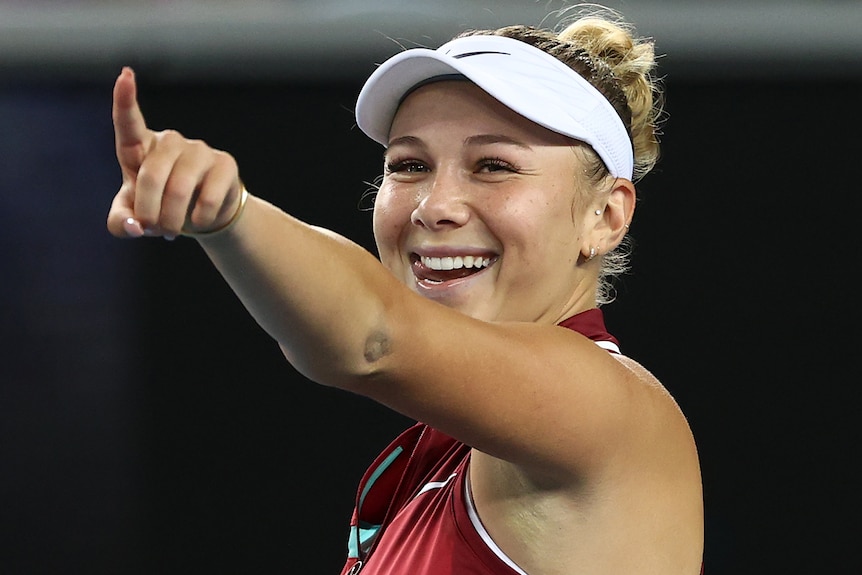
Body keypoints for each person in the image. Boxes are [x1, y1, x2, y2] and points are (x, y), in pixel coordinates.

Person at [107, 5, 703, 574]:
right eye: (409, 165)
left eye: (493, 165)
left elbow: (374, 339)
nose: (434, 206)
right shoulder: (440, 458)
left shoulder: (607, 411)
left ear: (604, 215)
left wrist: (231, 215)